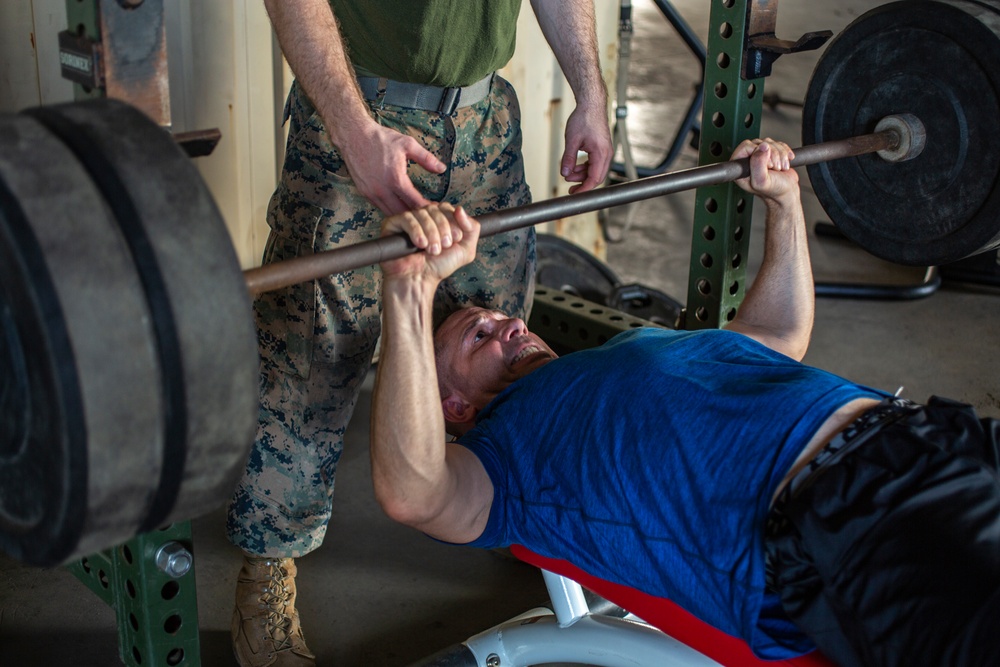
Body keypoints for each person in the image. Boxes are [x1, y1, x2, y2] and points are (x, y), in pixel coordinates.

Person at [370, 138, 1000, 667]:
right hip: (843, 517)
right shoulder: (502, 466)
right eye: (478, 336)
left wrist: (784, 204)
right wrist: (410, 289)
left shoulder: (621, 353)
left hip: (926, 434)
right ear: (452, 406)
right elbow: (414, 494)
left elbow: (777, 338)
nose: (509, 324)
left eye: (503, 315)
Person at [226, 1, 613, 665]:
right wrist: (352, 132)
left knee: (503, 354)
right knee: (309, 364)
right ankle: (267, 570)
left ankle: (524, 514)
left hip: (484, 120)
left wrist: (591, 92)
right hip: (360, 121)